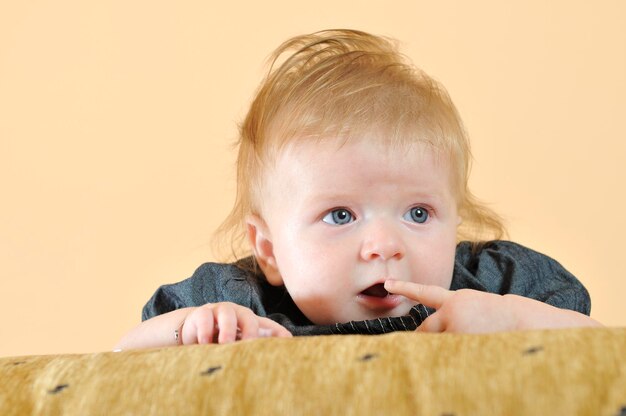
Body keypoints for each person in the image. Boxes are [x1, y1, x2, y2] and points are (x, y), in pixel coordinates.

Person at [115, 29, 601, 350]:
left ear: (455, 220)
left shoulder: (491, 285)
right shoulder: (244, 304)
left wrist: (512, 320)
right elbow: (121, 355)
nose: (385, 246)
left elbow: (603, 351)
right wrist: (193, 330)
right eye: (341, 216)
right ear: (269, 250)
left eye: (417, 213)